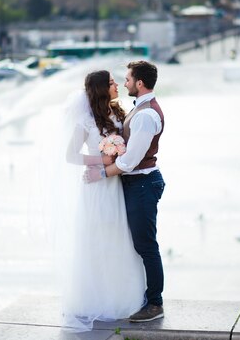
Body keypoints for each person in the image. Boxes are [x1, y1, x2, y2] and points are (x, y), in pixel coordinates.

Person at [61, 70, 145, 331]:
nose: (117, 85)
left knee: (119, 239)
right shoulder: (86, 121)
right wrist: (102, 160)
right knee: (98, 240)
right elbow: (71, 156)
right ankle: (97, 299)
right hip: (96, 188)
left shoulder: (120, 114)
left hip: (117, 186)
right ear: (100, 89)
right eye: (111, 83)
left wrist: (117, 158)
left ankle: (119, 296)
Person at [85, 60, 166, 323]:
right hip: (135, 184)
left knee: (146, 245)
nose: (124, 82)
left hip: (142, 183)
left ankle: (154, 303)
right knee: (138, 244)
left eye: (128, 78)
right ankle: (140, 297)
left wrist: (101, 172)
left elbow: (130, 160)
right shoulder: (139, 109)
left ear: (139, 83)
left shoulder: (145, 115)